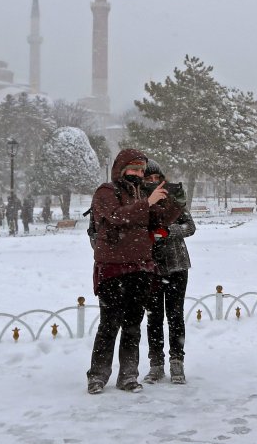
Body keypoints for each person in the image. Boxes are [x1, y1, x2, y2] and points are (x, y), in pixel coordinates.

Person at [86, 149, 182, 395]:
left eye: (141, 169)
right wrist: (146, 203)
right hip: (113, 269)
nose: (139, 174)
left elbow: (157, 221)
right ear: (121, 169)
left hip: (140, 268)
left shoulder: (141, 195)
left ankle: (128, 375)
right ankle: (97, 375)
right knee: (109, 324)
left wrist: (174, 203)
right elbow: (116, 217)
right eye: (134, 169)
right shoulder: (106, 192)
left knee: (132, 325)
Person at [141, 159, 195, 385]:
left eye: (156, 178)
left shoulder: (173, 199)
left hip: (176, 265)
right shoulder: (141, 202)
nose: (153, 182)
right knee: (154, 317)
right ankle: (156, 363)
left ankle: (176, 361)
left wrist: (168, 231)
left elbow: (190, 227)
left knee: (175, 315)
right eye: (148, 179)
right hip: (151, 267)